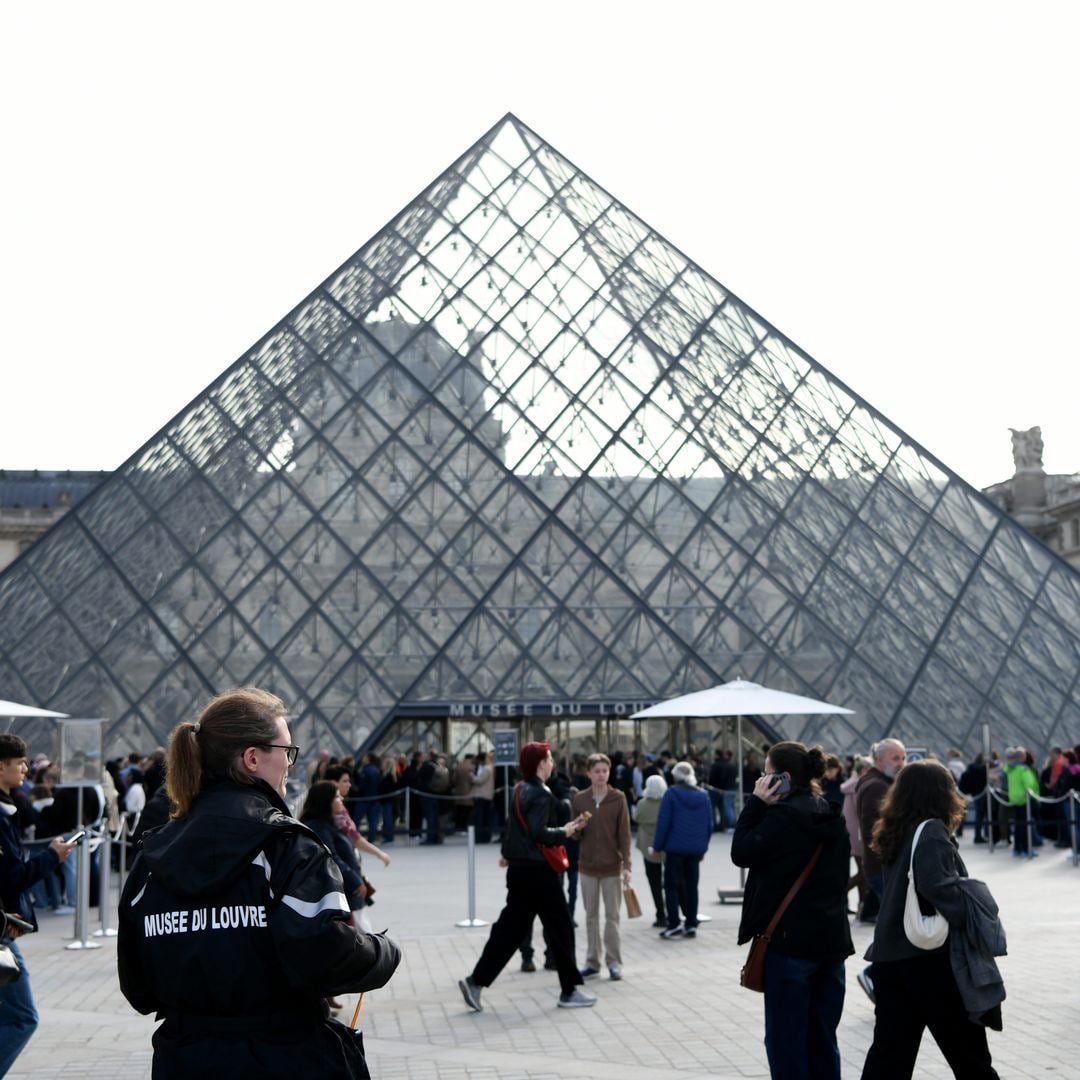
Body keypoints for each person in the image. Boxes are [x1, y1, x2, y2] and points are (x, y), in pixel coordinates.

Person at [117, 687, 401, 1079]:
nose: (290, 764)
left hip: (183, 1059)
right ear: (252, 758)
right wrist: (383, 952)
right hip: (286, 1055)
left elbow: (137, 988)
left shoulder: (152, 858)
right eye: (287, 751)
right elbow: (326, 958)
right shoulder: (288, 845)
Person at [860, 760, 1001, 1079]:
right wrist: (970, 906)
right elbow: (937, 887)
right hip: (930, 961)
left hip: (891, 958)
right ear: (939, 793)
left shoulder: (894, 830)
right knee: (970, 1057)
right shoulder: (932, 831)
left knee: (889, 1058)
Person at [731, 741, 853, 1080]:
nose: (761, 780)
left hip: (789, 943)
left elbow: (741, 852)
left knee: (787, 1042)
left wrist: (756, 803)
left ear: (782, 778)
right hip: (831, 940)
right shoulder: (831, 813)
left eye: (766, 774)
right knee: (823, 1038)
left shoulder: (782, 817)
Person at [458, 741, 595, 1011]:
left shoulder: (519, 788)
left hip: (520, 870)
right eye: (549, 759)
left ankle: (476, 982)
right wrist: (565, 831)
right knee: (561, 927)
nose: (552, 763)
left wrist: (507, 853)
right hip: (539, 872)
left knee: (510, 930)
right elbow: (537, 832)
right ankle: (569, 991)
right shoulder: (541, 793)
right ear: (541, 764)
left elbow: (514, 828)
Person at [0, 734, 78, 1075]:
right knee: (23, 1018)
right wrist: (52, 857)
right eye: (19, 763)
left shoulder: (8, 808)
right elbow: (12, 877)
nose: (25, 769)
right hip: (2, 931)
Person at [572, 752, 632, 981]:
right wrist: (578, 827)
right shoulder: (580, 799)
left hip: (611, 867)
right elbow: (574, 835)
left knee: (612, 916)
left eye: (605, 771)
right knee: (590, 916)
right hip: (587, 866)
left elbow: (624, 834)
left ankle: (614, 962)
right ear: (588, 773)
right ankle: (592, 962)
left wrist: (627, 865)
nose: (601, 775)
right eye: (597, 771)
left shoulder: (618, 798)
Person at [652, 761, 712, 939]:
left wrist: (657, 846)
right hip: (694, 850)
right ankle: (691, 923)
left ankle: (674, 924)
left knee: (671, 886)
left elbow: (664, 822)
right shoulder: (703, 795)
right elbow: (709, 825)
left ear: (675, 777)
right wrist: (703, 848)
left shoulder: (671, 794)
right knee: (692, 887)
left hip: (675, 849)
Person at [633, 774, 667, 927]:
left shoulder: (642, 803)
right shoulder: (666, 802)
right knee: (670, 882)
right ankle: (672, 911)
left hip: (647, 845)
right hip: (666, 845)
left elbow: (636, 818)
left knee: (654, 882)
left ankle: (660, 913)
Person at [1002, 747, 1039, 857]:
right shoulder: (1023, 769)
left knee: (1018, 826)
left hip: (1014, 799)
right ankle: (1026, 849)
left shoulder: (1009, 768)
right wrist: (1035, 793)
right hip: (1025, 799)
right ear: (1021, 757)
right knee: (1025, 826)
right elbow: (1030, 784)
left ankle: (1017, 849)